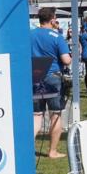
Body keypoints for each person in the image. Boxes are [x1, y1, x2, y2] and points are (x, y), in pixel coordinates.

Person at [31, 8, 71, 158]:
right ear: (53, 19)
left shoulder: (30, 34)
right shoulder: (57, 36)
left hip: (35, 75)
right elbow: (66, 60)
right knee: (55, 115)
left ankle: (28, 149)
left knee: (36, 116)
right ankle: (52, 151)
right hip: (53, 76)